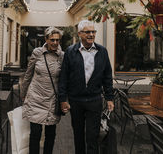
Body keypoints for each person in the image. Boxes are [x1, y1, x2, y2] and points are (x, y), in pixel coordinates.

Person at [58, 19, 114, 154]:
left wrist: (109, 97)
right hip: (76, 101)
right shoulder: (71, 51)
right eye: (87, 32)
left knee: (92, 136)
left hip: (94, 100)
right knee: (78, 135)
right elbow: (64, 77)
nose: (91, 34)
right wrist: (63, 99)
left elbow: (107, 76)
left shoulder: (102, 51)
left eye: (93, 31)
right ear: (80, 34)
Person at [21, 26, 64, 154]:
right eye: (52, 40)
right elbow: (28, 74)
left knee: (51, 134)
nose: (55, 43)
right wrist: (23, 94)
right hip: (35, 97)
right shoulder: (37, 53)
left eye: (57, 40)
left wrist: (64, 99)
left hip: (52, 99)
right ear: (46, 39)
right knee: (35, 132)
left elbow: (65, 80)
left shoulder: (62, 56)